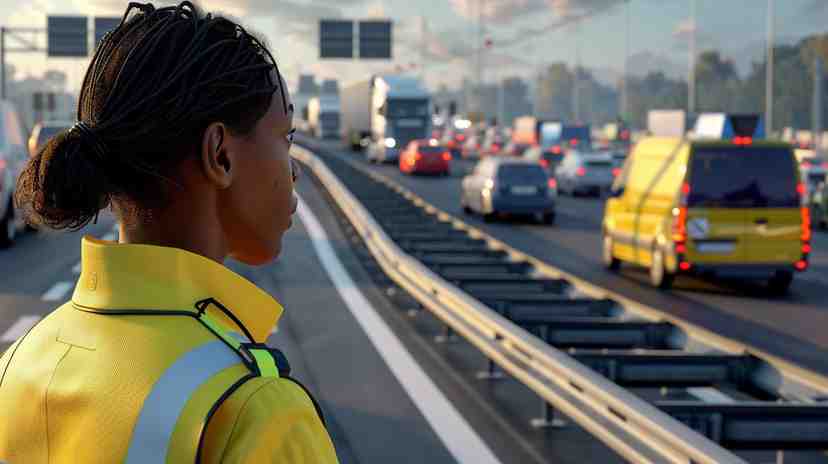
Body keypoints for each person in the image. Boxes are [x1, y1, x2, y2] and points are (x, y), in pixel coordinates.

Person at [0, 2, 339, 462]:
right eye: (286, 138)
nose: (293, 169)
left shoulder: (14, 365)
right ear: (220, 154)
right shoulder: (254, 413)